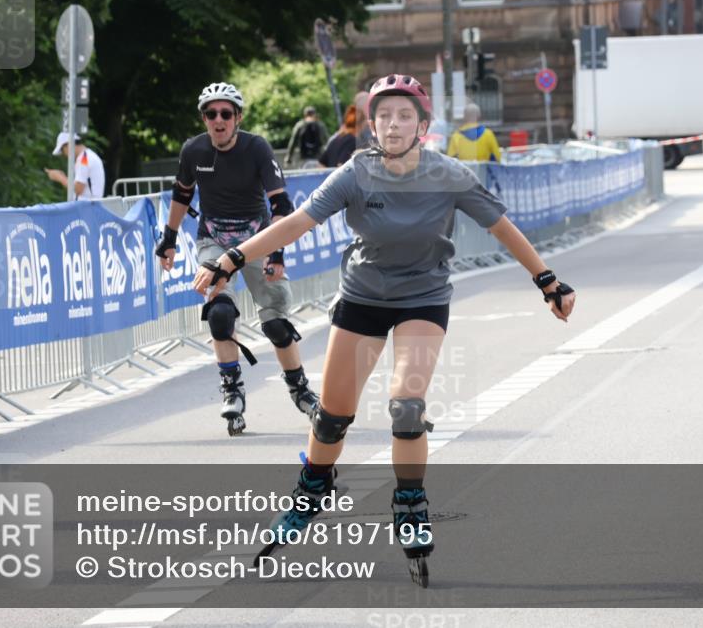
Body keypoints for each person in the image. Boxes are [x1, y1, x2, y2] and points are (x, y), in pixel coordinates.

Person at [194, 74, 576, 586]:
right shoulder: (356, 172)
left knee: (407, 405)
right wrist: (233, 258)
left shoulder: (449, 174)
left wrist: (547, 280)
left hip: (422, 299)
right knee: (332, 420)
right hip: (362, 300)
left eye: (404, 116)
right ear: (371, 124)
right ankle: (313, 487)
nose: (393, 124)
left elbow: (500, 227)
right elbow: (298, 222)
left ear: (422, 125)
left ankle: (411, 503)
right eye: (384, 116)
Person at [155, 82, 320, 436]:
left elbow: (282, 207)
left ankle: (300, 388)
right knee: (220, 314)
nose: (218, 120)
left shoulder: (256, 148)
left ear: (238, 118)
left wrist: (277, 252)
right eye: (211, 114)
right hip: (213, 240)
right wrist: (168, 238)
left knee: (276, 323)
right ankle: (232, 388)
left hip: (258, 240)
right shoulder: (194, 150)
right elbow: (182, 195)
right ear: (204, 119)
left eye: (225, 114)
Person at [44, 133, 106, 200]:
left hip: (88, 207)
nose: (64, 154)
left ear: (68, 145)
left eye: (62, 149)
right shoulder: (87, 156)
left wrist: (60, 177)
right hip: (90, 205)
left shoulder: (84, 159)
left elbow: (78, 189)